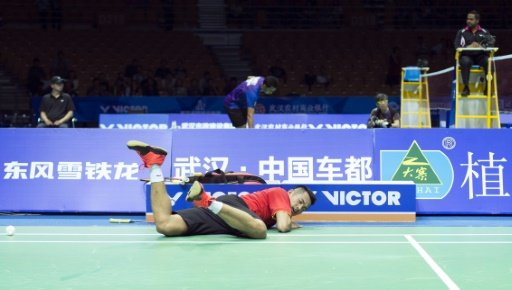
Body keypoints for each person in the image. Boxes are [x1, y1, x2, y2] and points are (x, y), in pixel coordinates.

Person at [127, 140, 316, 239]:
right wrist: (291, 223)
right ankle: (207, 201)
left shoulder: (281, 207)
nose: (300, 208)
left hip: (229, 220)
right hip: (237, 208)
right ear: (291, 192)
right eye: (300, 201)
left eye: (304, 208)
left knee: (165, 225)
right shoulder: (281, 193)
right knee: (259, 231)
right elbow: (283, 226)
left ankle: (154, 163)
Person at [454, 10, 495, 96]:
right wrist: (468, 47)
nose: (468, 21)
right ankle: (466, 88)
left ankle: (487, 88)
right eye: (467, 19)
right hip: (467, 56)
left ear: (477, 21)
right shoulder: (461, 32)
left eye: (471, 19)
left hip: (481, 56)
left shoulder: (484, 32)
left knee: (489, 62)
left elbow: (491, 43)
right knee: (465, 61)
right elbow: (456, 46)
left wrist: (480, 46)